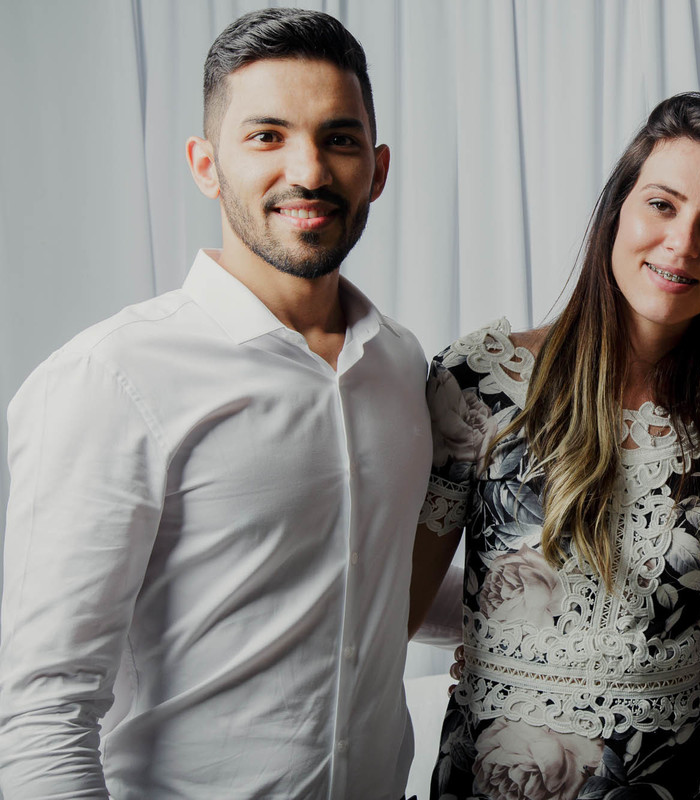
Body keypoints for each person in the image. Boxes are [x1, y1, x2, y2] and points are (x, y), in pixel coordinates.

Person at [0, 9, 434, 798]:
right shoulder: (110, 379)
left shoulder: (400, 364)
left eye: (338, 138)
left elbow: (380, 576)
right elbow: (43, 711)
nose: (308, 171)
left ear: (377, 170)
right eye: (267, 136)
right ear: (206, 165)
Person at [406, 92, 700, 799]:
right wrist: (502, 642)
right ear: (616, 211)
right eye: (662, 205)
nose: (683, 243)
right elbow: (399, 602)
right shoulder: (481, 382)